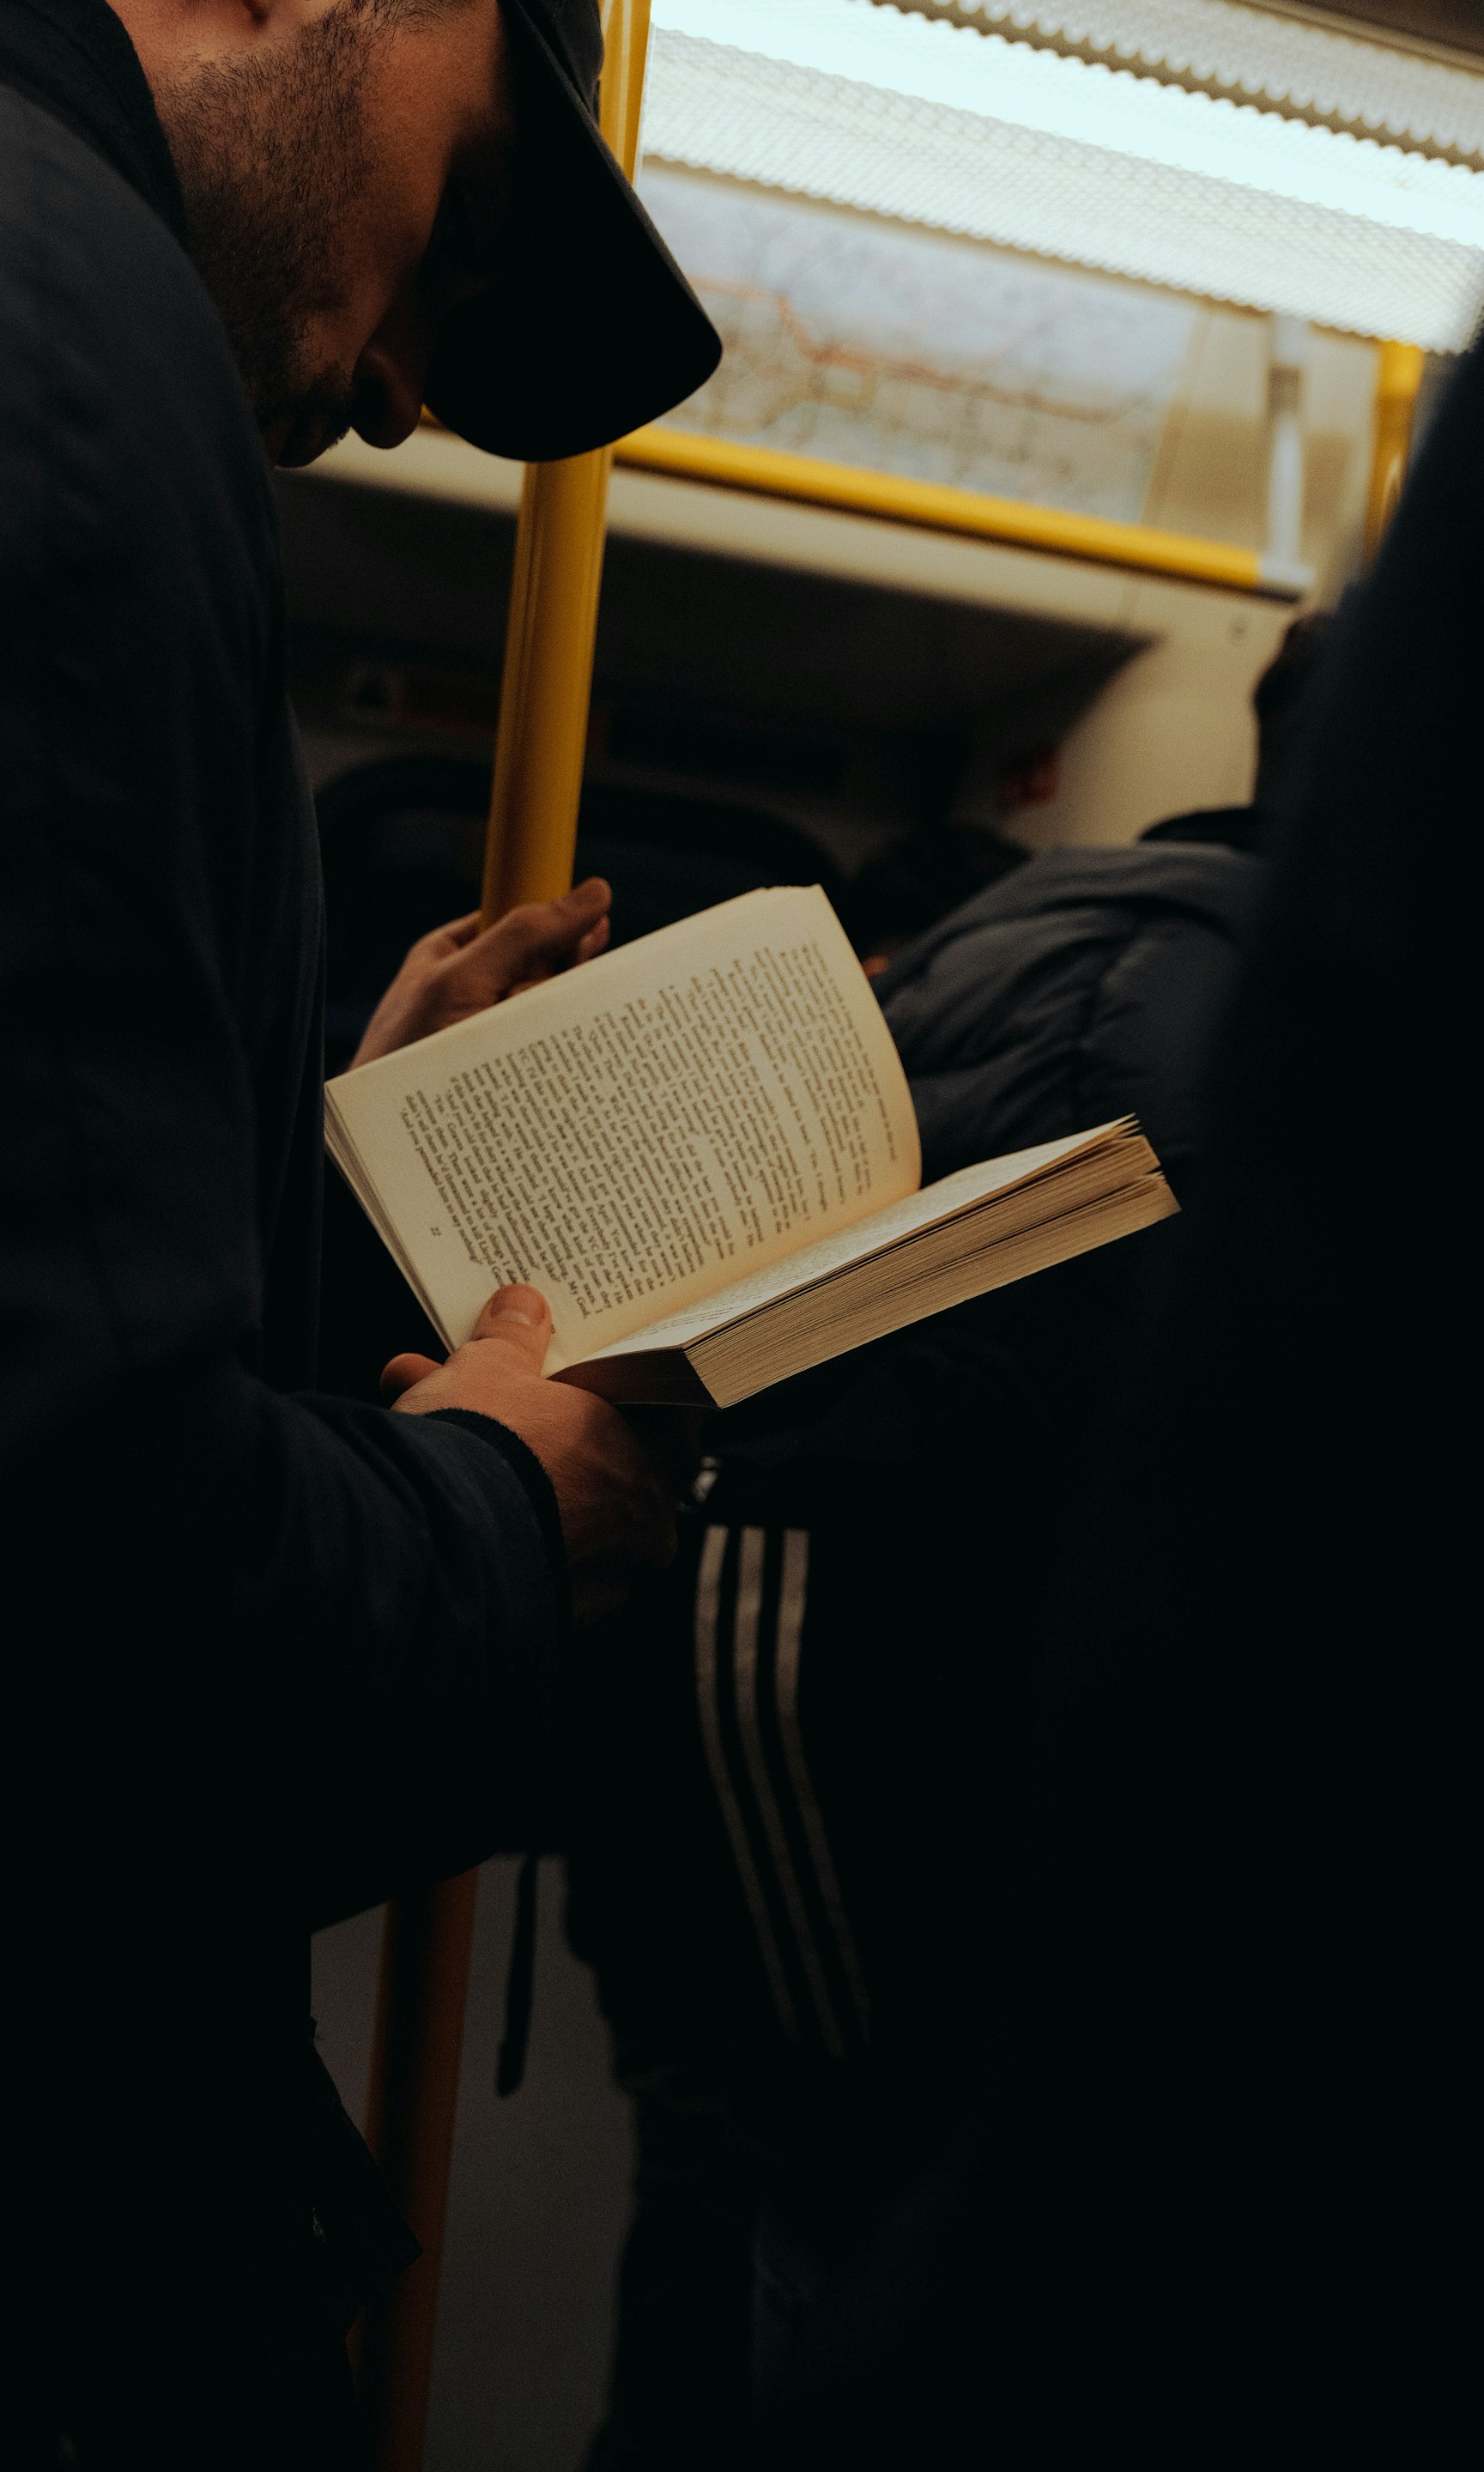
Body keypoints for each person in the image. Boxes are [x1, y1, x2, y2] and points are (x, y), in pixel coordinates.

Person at [0, 2, 718, 2463]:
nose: (414, 393)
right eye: (461, 223)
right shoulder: (33, 294)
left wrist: (317, 1150)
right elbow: (56, 1613)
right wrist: (516, 1513)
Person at [563, 644, 1327, 2463]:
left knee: (750, 2237)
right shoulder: (1208, 1039)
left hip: (760, 1781)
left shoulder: (1075, 952)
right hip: (935, 1888)